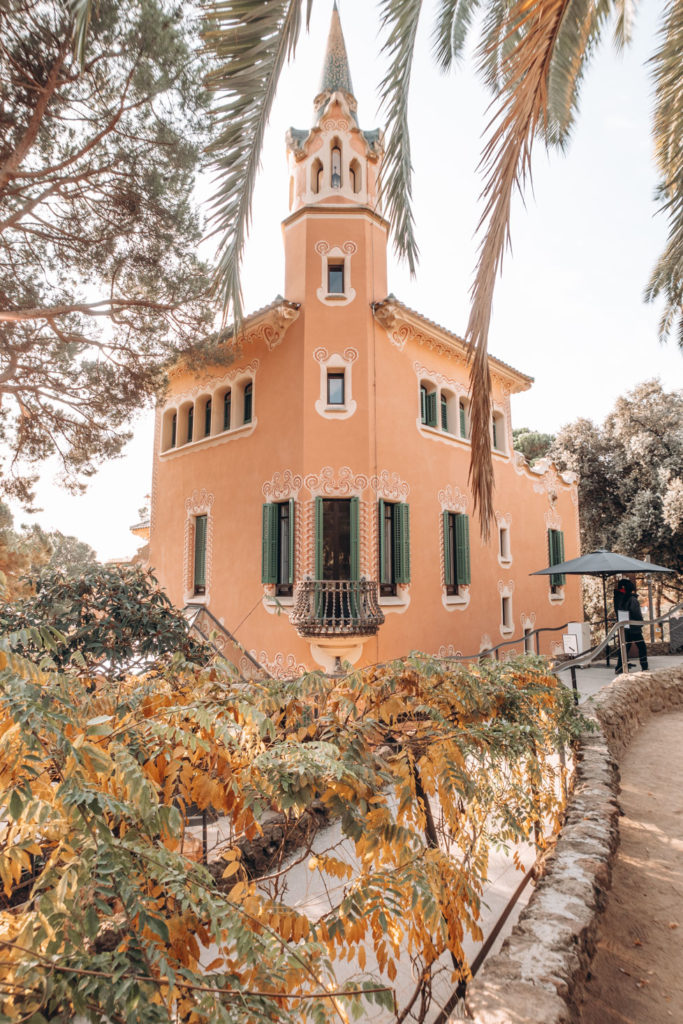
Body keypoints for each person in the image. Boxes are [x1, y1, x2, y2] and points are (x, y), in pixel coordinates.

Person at [613, 578, 648, 675]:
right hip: (634, 628)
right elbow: (636, 614)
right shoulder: (632, 599)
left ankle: (619, 667)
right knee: (642, 647)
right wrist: (640, 623)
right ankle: (645, 667)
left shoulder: (617, 598)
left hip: (624, 627)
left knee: (624, 647)